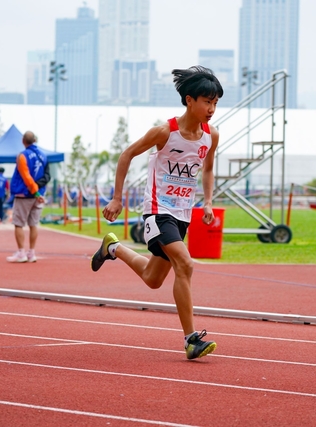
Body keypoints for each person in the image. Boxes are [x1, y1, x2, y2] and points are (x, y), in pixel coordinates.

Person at [91, 66, 222, 360]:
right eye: (207, 102)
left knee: (153, 278)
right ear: (189, 100)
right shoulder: (165, 132)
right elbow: (127, 154)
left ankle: (112, 248)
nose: (212, 109)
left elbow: (208, 169)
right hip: (158, 210)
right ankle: (191, 340)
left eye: (215, 103)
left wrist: (208, 202)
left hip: (183, 214)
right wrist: (117, 198)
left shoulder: (211, 135)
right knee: (185, 264)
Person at [6, 131, 50, 263]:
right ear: (35, 140)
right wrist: (38, 192)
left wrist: (35, 191)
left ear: (23, 141)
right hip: (39, 195)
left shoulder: (22, 156)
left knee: (18, 224)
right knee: (33, 224)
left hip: (25, 194)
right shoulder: (44, 155)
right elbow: (47, 176)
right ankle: (31, 253)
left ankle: (21, 253)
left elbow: (26, 176)